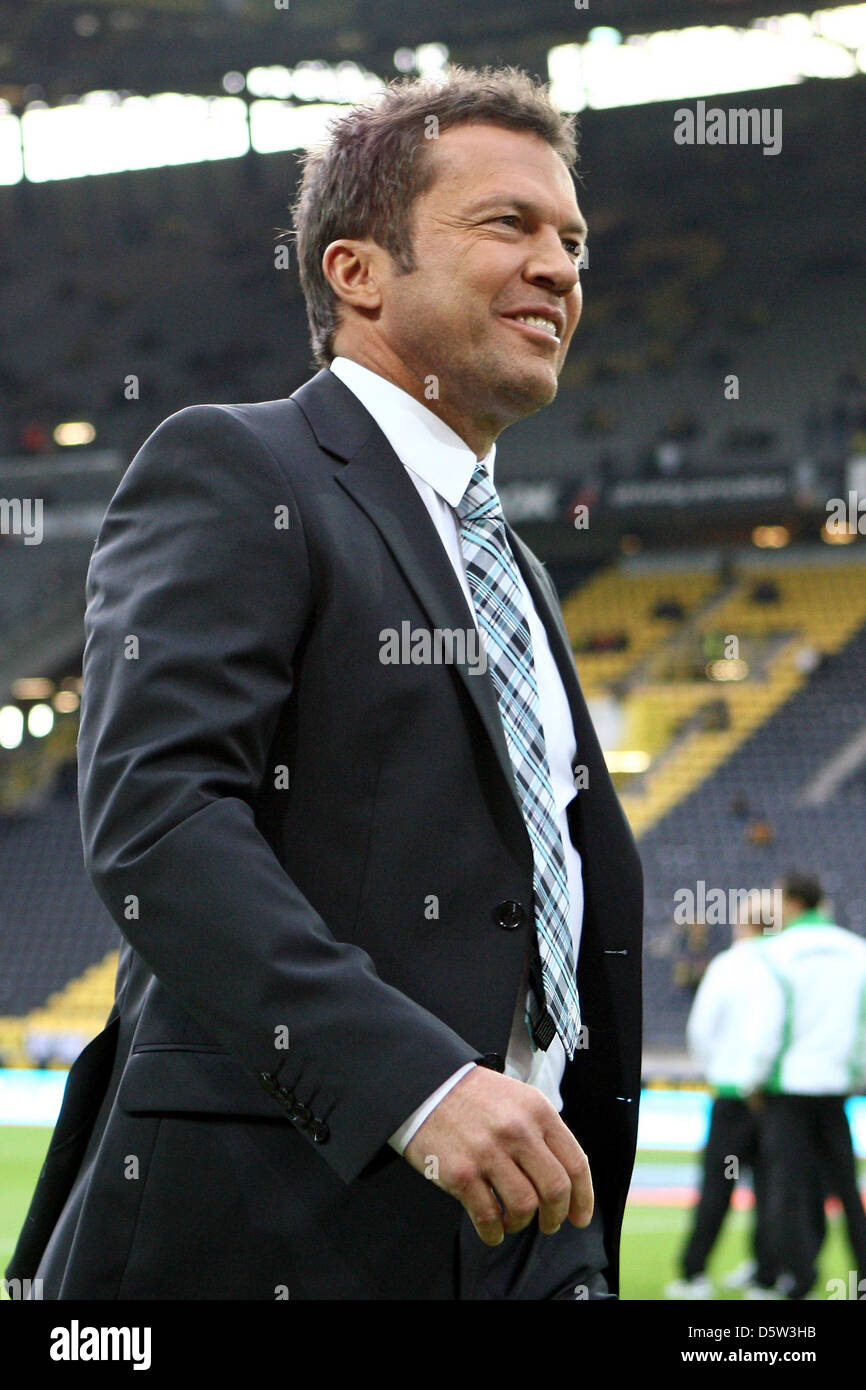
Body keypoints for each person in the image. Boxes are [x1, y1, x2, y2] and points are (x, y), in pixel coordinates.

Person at [7, 66, 643, 1301]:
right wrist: (417, 1082)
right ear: (357, 271)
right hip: (286, 1218)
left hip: (532, 1229)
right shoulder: (237, 464)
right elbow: (160, 819)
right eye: (506, 225)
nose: (560, 268)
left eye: (571, 240)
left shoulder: (514, 568)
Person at [743, 874, 866, 1300]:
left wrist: (753, 1080)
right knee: (848, 1190)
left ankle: (798, 1280)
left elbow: (766, 1026)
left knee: (787, 1189)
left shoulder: (774, 952)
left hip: (787, 1089)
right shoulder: (856, 950)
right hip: (836, 1087)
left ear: (792, 902)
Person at [665, 898, 777, 1299]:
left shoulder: (727, 967)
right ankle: (766, 1275)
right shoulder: (782, 966)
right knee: (770, 1188)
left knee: (717, 1186)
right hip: (772, 1099)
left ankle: (693, 1275)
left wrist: (723, 1072)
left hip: (730, 1096)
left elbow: (701, 1032)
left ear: (743, 924)